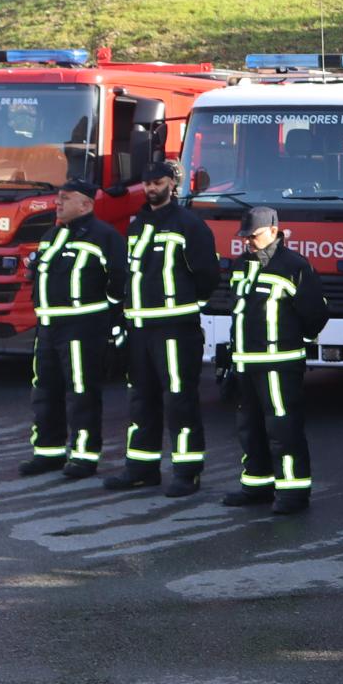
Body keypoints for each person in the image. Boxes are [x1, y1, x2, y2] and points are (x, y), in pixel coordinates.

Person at [109, 160, 222, 495]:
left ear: (172, 184)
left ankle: (187, 473)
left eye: (157, 182)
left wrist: (184, 306)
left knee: (179, 401)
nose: (150, 188)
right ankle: (141, 469)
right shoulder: (137, 225)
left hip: (175, 329)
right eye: (147, 183)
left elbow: (207, 275)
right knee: (140, 400)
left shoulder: (189, 224)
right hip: (139, 329)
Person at [224, 205, 332, 516]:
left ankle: (293, 493)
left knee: (283, 430)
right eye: (245, 237)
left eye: (254, 236)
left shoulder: (294, 265)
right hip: (245, 362)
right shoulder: (241, 264)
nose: (248, 242)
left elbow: (316, 313)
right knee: (250, 428)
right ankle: (256, 486)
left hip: (279, 363)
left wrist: (294, 342)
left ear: (274, 231)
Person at [21, 173, 125, 481]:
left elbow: (120, 280)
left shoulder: (104, 236)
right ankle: (47, 452)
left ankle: (83, 456)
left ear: (85, 204)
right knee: (45, 390)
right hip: (48, 326)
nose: (58, 203)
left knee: (81, 392)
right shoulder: (52, 235)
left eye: (65, 199)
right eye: (58, 198)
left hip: (82, 327)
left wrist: (109, 320)